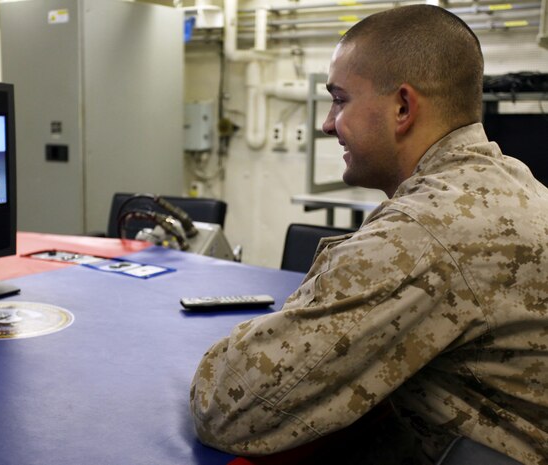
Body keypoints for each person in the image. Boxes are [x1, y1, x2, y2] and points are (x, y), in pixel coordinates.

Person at [190, 5, 548, 465]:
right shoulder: (513, 179)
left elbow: (230, 407)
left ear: (402, 107)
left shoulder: (426, 232)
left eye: (340, 100)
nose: (326, 123)